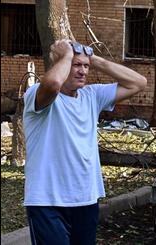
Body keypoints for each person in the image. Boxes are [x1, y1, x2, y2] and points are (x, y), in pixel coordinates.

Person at [22, 39, 147, 245]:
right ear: (60, 65)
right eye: (75, 65)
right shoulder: (37, 94)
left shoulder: (92, 96)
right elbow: (53, 84)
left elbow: (139, 83)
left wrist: (93, 59)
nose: (82, 71)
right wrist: (67, 55)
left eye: (85, 66)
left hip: (86, 198)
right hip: (47, 200)